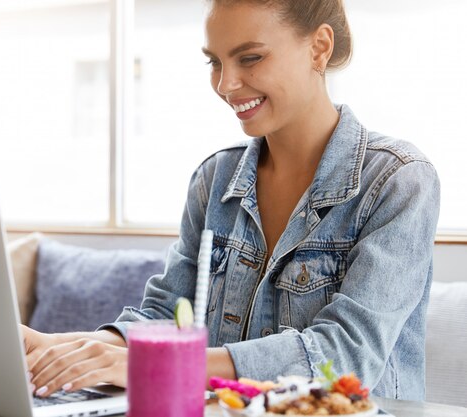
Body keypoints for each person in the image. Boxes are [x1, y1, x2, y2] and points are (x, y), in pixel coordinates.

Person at [22, 0, 440, 401]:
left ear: (319, 47)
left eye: (250, 58)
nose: (226, 84)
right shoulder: (215, 179)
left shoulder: (397, 181)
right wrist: (67, 347)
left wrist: (161, 361)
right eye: (215, 62)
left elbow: (344, 358)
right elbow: (169, 314)